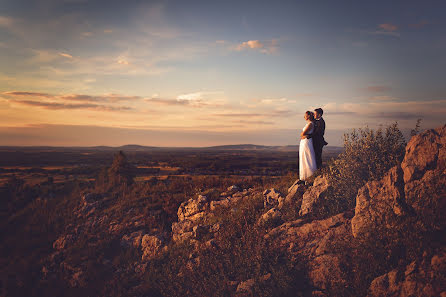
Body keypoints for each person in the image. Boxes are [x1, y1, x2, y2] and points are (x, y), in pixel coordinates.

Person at [299, 111, 317, 182]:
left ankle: (309, 175)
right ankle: (305, 176)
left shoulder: (310, 124)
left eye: (305, 115)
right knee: (304, 157)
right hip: (304, 141)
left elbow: (302, 133)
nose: (304, 117)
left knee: (307, 157)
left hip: (307, 142)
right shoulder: (309, 124)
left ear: (308, 116)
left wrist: (302, 135)